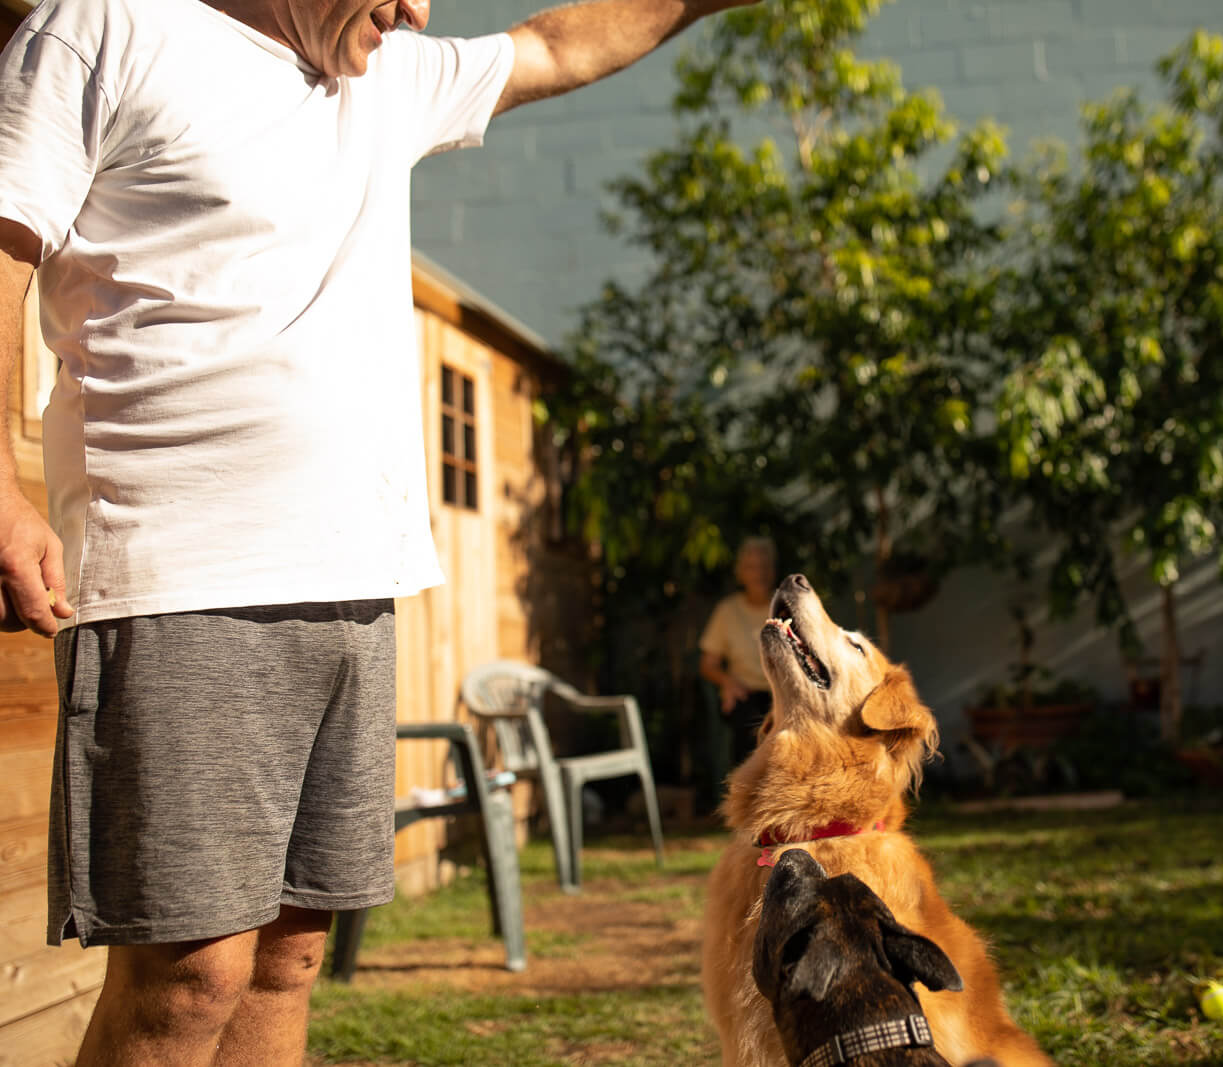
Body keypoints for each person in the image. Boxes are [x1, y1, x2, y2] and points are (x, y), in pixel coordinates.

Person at [0, 0, 755, 1062]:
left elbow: (554, 44)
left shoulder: (380, 78)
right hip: (182, 580)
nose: (414, 11)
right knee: (186, 979)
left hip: (354, 582)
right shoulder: (110, 28)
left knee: (289, 955)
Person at [699, 536, 777, 769]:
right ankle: (745, 797)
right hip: (745, 692)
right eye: (751, 567)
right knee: (749, 726)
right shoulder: (727, 611)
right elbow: (708, 664)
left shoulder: (785, 607)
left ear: (772, 571)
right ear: (740, 573)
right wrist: (727, 682)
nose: (759, 574)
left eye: (764, 566)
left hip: (781, 692)